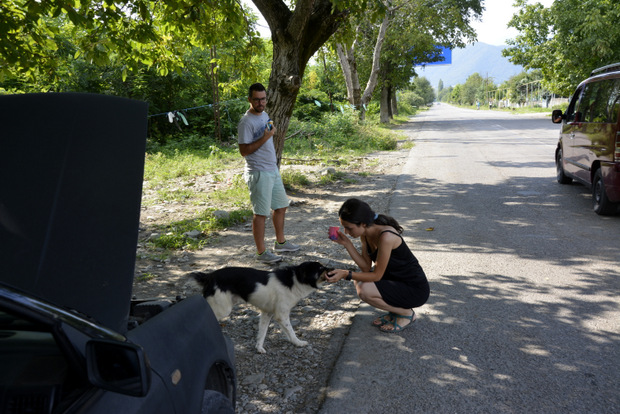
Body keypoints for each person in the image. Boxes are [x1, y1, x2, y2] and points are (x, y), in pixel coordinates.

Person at [326, 198, 429, 333]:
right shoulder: (366, 234)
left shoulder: (386, 236)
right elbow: (365, 267)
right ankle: (395, 312)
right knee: (359, 280)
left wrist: (346, 274)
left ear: (363, 224)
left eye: (349, 228)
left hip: (414, 289)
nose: (346, 232)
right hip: (395, 282)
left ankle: (406, 314)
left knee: (365, 289)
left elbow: (376, 275)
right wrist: (347, 244)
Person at [238, 82, 300, 263]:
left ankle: (280, 243)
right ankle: (261, 253)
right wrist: (265, 137)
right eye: (256, 100)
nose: (260, 103)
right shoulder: (246, 122)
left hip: (272, 170)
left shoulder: (264, 114)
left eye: (263, 99)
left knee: (281, 206)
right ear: (250, 99)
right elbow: (244, 151)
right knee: (261, 214)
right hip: (258, 172)